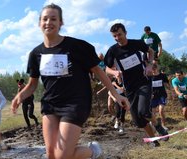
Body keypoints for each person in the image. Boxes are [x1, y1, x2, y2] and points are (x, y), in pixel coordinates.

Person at [11, 4, 129, 159]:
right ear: (40, 23)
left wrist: (116, 94)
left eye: (54, 19)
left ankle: (93, 152)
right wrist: (19, 97)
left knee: (62, 156)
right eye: (45, 19)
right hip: (51, 104)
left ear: (61, 23)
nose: (49, 22)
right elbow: (32, 84)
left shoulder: (77, 47)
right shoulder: (36, 54)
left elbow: (98, 71)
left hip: (75, 103)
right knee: (51, 155)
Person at [104, 23, 168, 147]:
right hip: (129, 87)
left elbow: (151, 51)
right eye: (114, 36)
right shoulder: (113, 50)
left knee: (144, 111)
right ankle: (154, 140)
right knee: (138, 120)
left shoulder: (136, 43)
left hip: (143, 82)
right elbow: (106, 68)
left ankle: (158, 127)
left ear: (125, 33)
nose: (117, 38)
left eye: (119, 35)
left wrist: (149, 65)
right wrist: (115, 72)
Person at [150, 63, 170, 130]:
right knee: (153, 112)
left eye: (154, 69)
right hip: (153, 97)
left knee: (161, 110)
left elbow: (167, 85)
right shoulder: (149, 76)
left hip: (162, 95)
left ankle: (163, 125)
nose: (153, 70)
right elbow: (147, 87)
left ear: (156, 68)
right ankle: (153, 125)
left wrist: (170, 88)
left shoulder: (162, 75)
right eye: (151, 69)